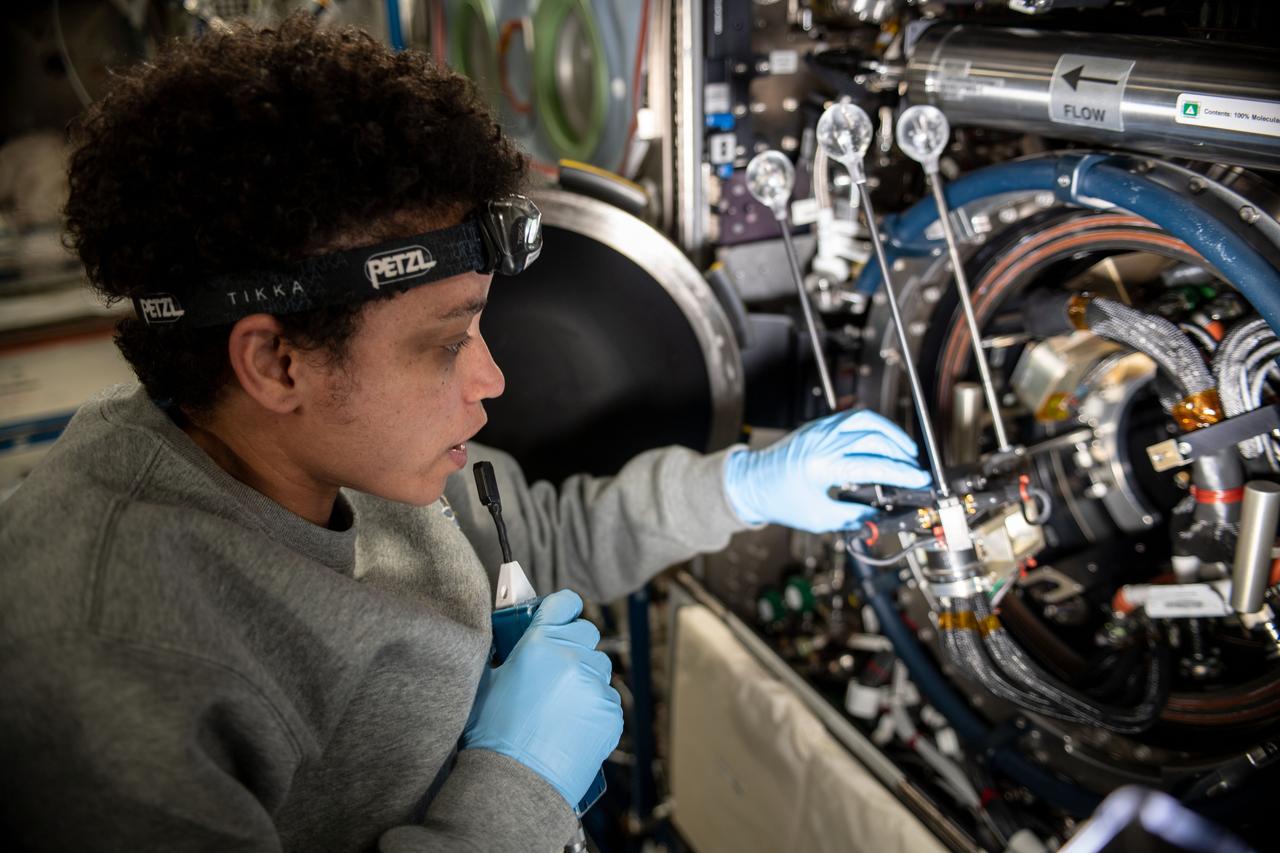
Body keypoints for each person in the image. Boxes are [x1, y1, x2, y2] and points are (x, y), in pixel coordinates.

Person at [0, 16, 930, 853]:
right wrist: (512, 789)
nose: (491, 379)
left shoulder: (350, 452)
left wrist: (748, 485)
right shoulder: (110, 659)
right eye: (448, 341)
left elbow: (541, 538)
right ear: (277, 363)